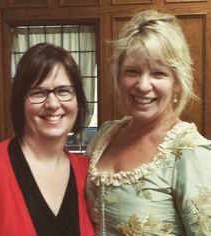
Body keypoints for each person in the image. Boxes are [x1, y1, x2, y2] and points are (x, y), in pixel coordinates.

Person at [86, 10, 211, 235]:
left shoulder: (190, 153)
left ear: (177, 82)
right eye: (132, 71)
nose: (143, 85)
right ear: (118, 77)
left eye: (158, 73)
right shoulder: (106, 135)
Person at [0, 43, 94, 236]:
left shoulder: (90, 174)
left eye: (63, 91)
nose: (53, 104)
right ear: (20, 102)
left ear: (78, 101)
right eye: (39, 92)